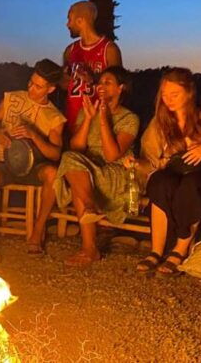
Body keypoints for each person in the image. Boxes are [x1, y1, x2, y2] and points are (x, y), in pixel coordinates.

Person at [136, 68, 201, 275]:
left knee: (191, 186)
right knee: (159, 182)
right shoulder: (161, 122)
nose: (168, 100)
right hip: (175, 170)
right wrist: (140, 163)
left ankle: (180, 249)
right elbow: (151, 159)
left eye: (174, 95)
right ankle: (156, 250)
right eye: (164, 95)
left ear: (189, 92)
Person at [52, 66, 139, 266]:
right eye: (100, 82)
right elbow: (77, 146)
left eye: (108, 82)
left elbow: (111, 155)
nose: (100, 86)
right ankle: (89, 209)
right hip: (86, 167)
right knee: (72, 159)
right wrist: (89, 118)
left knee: (76, 173)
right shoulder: (87, 110)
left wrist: (102, 119)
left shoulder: (129, 118)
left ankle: (89, 248)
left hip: (114, 172)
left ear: (120, 89)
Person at [0, 59, 66, 258]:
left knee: (53, 174)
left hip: (35, 166)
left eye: (38, 86)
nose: (31, 88)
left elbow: (55, 154)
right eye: (30, 82)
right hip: (6, 162)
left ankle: (36, 235)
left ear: (50, 89)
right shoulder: (11, 99)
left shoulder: (54, 117)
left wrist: (34, 134)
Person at [62, 1, 122, 131]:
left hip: (99, 124)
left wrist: (93, 79)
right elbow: (64, 86)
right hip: (72, 122)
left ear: (80, 20)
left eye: (69, 19)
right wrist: (62, 78)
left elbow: (120, 87)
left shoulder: (109, 49)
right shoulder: (70, 51)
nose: (67, 24)